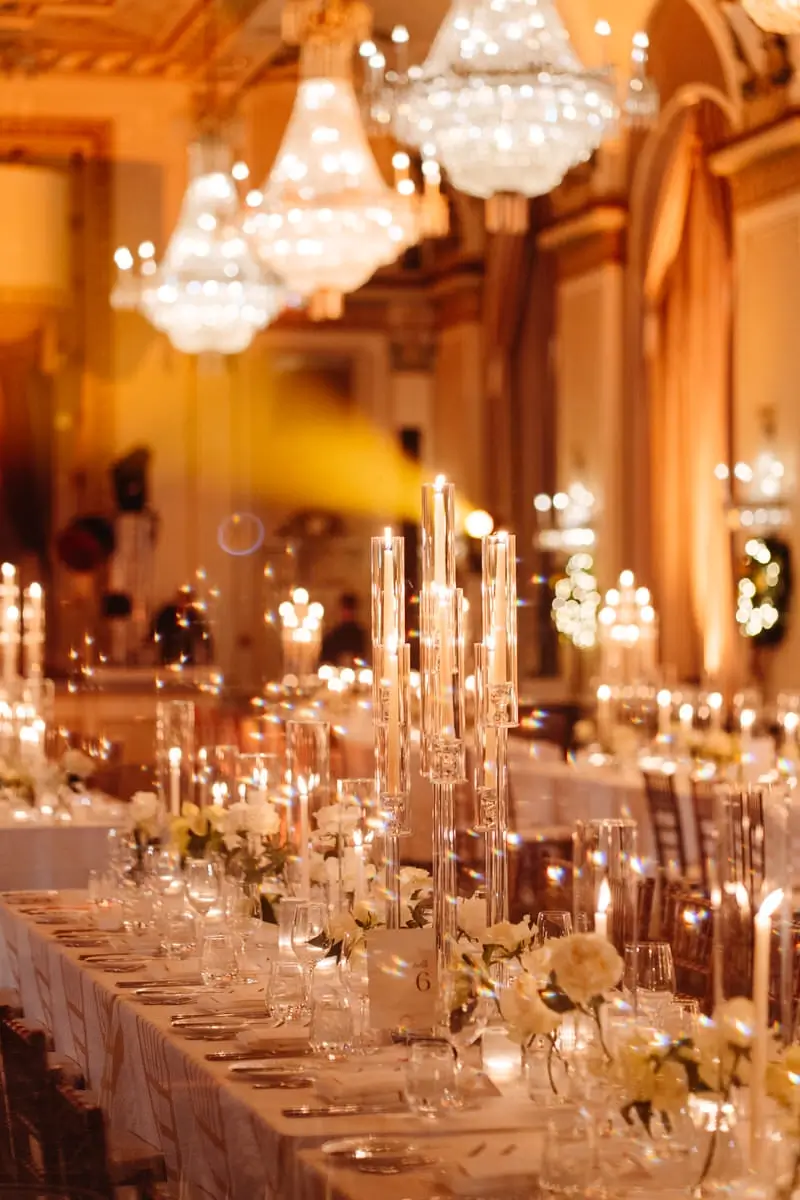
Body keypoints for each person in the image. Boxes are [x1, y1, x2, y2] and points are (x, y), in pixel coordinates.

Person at [320, 592, 367, 666]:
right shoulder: (332, 636)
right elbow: (325, 662)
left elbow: (364, 662)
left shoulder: (360, 635)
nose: (347, 613)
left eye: (350, 610)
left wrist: (354, 661)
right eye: (345, 610)